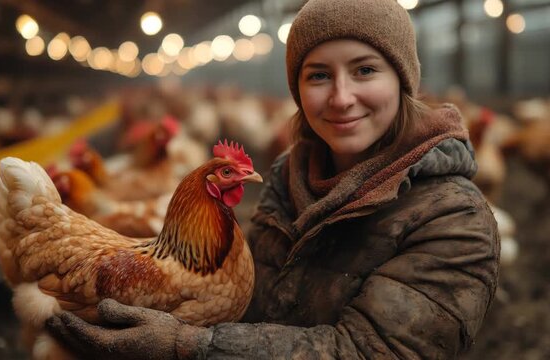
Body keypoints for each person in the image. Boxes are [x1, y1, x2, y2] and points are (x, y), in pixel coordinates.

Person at [46, 0, 500, 358]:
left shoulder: (454, 220)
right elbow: (254, 306)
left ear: (402, 81)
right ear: (298, 91)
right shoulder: (289, 181)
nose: (341, 98)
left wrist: (189, 346)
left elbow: (371, 351)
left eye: (365, 70)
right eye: (319, 75)